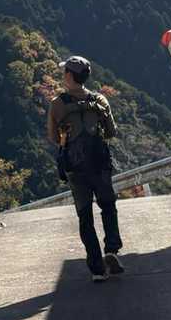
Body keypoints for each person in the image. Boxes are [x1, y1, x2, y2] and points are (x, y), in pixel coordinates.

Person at [47, 55, 124, 282]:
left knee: (85, 216)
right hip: (100, 163)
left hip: (75, 166)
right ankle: (112, 249)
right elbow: (111, 132)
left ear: (70, 76)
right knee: (108, 206)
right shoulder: (100, 100)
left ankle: (97, 269)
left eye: (65, 72)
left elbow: (53, 137)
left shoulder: (57, 104)